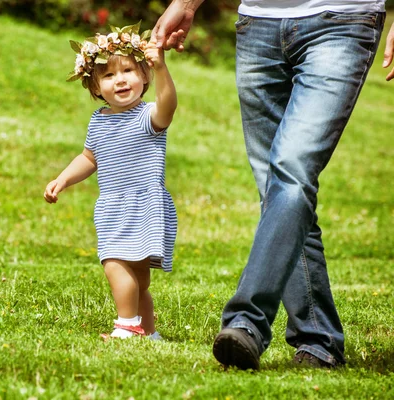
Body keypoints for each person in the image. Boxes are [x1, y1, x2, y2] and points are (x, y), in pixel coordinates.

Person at [153, 0, 394, 369]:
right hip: (259, 24)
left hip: (343, 19)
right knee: (279, 191)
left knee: (291, 170)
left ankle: (247, 321)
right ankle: (318, 341)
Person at [44, 22, 178, 340]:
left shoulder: (149, 117)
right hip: (112, 205)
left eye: (128, 70)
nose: (120, 80)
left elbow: (169, 105)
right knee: (136, 277)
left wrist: (161, 68)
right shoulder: (98, 121)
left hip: (142, 204)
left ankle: (127, 325)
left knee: (115, 264)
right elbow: (89, 158)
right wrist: (63, 179)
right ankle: (148, 332)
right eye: (108, 75)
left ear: (144, 76)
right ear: (95, 88)